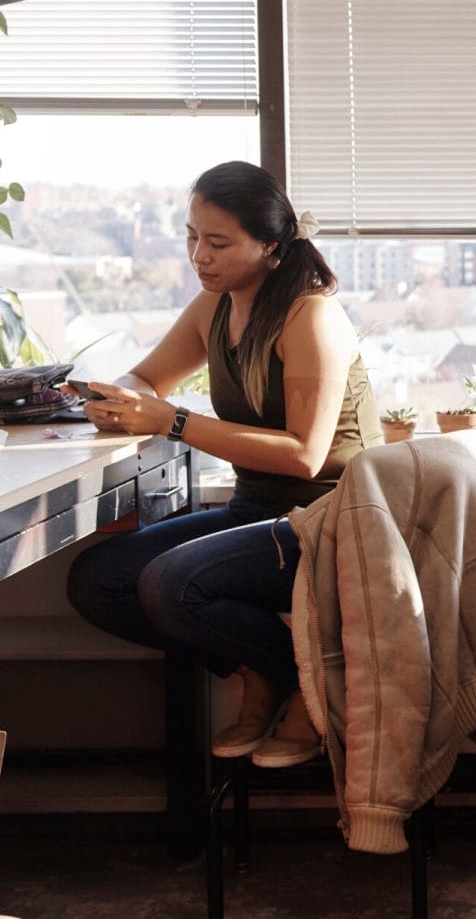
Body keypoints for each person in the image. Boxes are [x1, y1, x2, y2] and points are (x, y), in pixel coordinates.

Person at [66, 159, 381, 765]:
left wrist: (174, 422)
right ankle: (266, 672)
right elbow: (149, 376)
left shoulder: (309, 316)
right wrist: (121, 398)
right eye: (191, 237)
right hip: (255, 510)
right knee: (98, 581)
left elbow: (305, 455)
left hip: (327, 521)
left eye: (217, 242)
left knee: (169, 583)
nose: (198, 257)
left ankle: (307, 682)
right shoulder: (214, 307)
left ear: (269, 246)